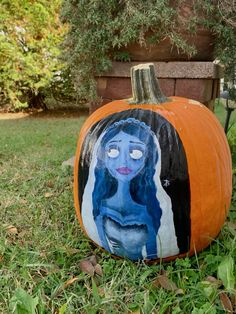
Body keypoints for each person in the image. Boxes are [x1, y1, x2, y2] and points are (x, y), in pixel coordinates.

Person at [81, 118, 179, 260]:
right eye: (113, 151)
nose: (124, 162)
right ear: (103, 157)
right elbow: (102, 240)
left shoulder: (148, 210)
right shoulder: (100, 205)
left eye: (136, 152)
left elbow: (154, 254)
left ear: (148, 158)